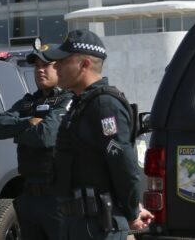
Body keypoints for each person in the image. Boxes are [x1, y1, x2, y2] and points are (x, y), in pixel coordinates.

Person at [42, 29, 153, 240]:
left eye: (63, 61)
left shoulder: (104, 105)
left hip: (98, 226)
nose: (56, 67)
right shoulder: (81, 103)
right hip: (76, 223)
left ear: (84, 64)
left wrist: (132, 210)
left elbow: (122, 163)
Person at [0, 44, 73, 240]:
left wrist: (18, 134)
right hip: (29, 195)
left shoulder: (68, 99)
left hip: (57, 197)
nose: (40, 70)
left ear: (60, 67)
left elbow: (47, 136)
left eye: (46, 65)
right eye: (37, 66)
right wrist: (28, 121)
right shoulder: (28, 103)